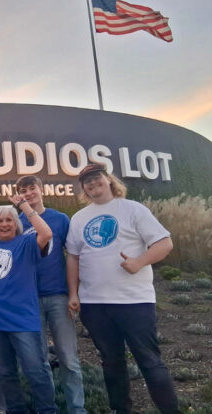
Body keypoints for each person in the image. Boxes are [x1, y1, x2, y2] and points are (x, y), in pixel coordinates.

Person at [66, 163, 179, 414]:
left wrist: (139, 262)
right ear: (84, 189)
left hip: (134, 302)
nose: (93, 183)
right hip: (95, 304)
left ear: (109, 180)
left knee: (149, 361)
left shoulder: (133, 209)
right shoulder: (79, 218)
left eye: (97, 178)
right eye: (87, 182)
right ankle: (121, 410)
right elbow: (73, 257)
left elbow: (164, 243)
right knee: (111, 363)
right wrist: (73, 293)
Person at [0, 200, 57, 414]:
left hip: (23, 318)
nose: (4, 224)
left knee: (36, 370)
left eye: (9, 220)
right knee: (4, 372)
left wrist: (24, 206)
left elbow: (47, 234)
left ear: (16, 223)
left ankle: (47, 410)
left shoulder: (27, 243)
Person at [16, 176, 87, 414]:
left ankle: (77, 409)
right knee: (39, 360)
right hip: (29, 300)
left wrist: (73, 293)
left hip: (58, 296)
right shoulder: (15, 222)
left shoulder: (60, 219)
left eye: (32, 188)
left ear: (41, 189)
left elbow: (73, 256)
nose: (29, 193)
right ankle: (48, 408)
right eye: (23, 190)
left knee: (68, 358)